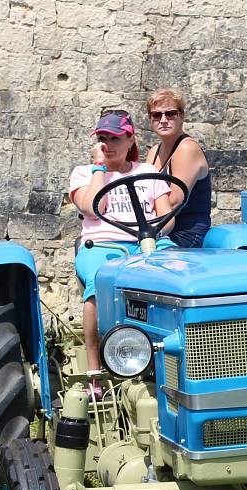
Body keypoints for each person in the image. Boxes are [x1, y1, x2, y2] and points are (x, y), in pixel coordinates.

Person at [69, 110, 175, 375]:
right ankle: (95, 369)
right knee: (98, 281)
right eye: (103, 138)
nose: (108, 144)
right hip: (102, 246)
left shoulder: (148, 172)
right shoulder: (83, 173)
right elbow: (93, 208)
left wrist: (154, 228)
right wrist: (99, 169)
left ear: (130, 140)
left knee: (178, 274)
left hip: (146, 243)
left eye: (115, 138)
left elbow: (167, 217)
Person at [145, 89, 212, 248]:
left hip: (186, 232)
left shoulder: (187, 149)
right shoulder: (154, 151)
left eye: (170, 114)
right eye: (156, 115)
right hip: (161, 226)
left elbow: (174, 202)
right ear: (150, 119)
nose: (163, 120)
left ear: (181, 116)